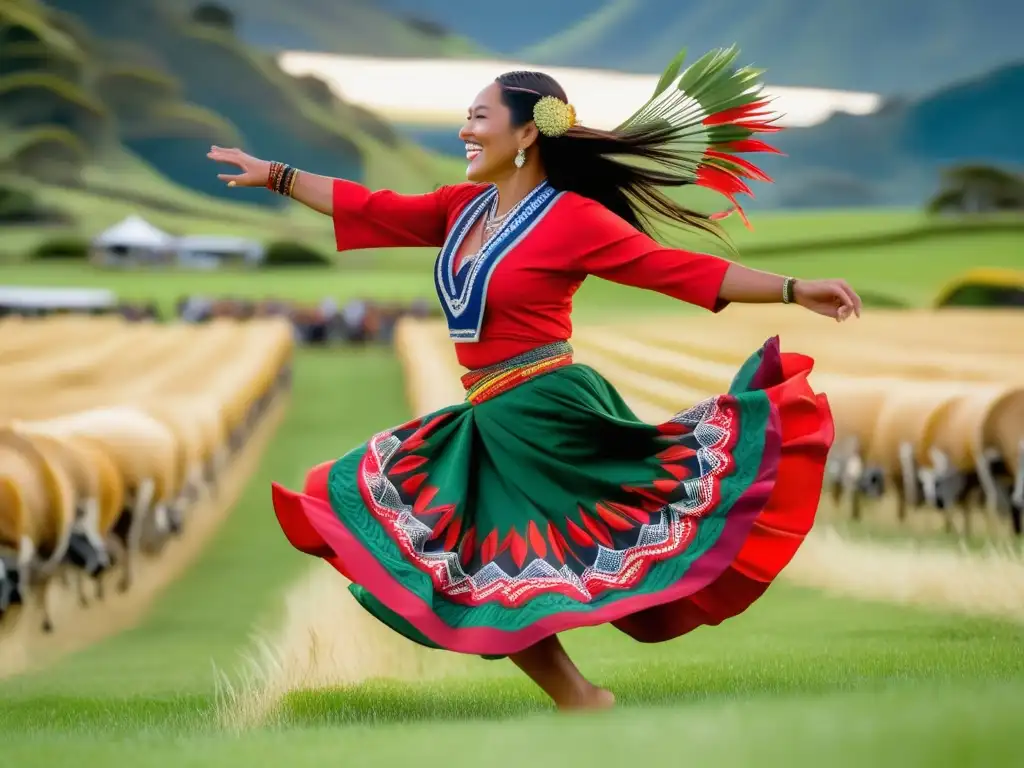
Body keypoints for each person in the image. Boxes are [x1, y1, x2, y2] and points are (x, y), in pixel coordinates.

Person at [208, 46, 860, 712]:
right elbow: (370, 206)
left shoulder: (572, 218)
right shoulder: (461, 209)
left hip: (547, 410)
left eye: (479, 116)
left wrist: (790, 287)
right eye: (465, 115)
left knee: (491, 558)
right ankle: (579, 698)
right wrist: (277, 176)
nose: (466, 128)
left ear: (526, 133)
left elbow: (676, 269)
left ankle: (578, 696)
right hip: (490, 413)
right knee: (471, 558)